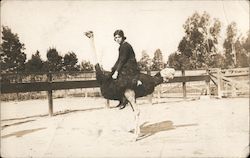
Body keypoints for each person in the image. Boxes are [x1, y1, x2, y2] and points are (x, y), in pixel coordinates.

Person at [111, 29, 141, 109]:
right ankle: (121, 100)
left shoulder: (125, 46)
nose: (117, 39)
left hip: (131, 67)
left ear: (122, 37)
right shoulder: (122, 46)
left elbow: (123, 59)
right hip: (126, 65)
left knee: (121, 81)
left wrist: (117, 71)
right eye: (115, 38)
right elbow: (119, 59)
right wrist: (114, 68)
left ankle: (124, 100)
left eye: (118, 37)